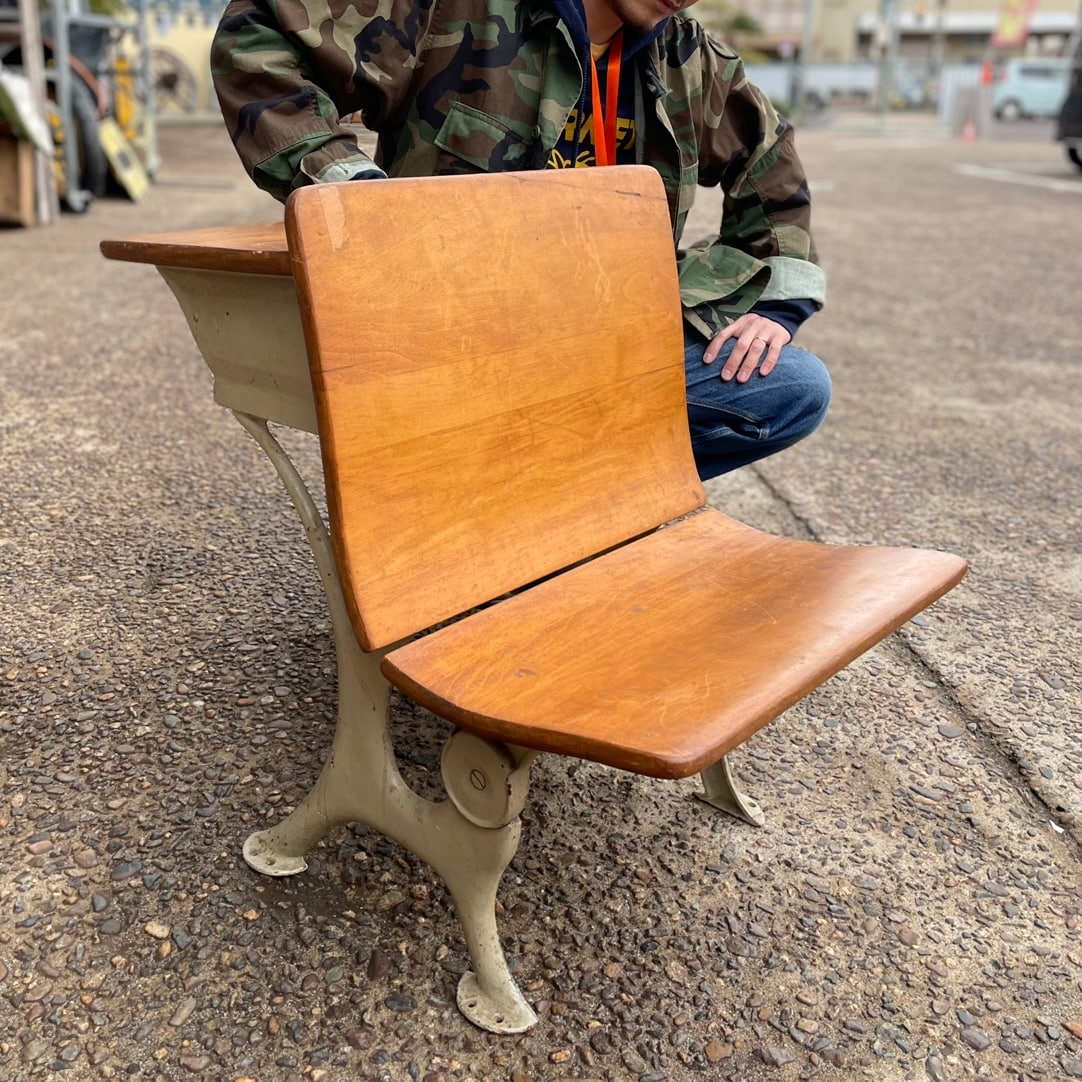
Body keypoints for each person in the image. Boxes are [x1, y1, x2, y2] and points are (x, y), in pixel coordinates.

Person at [211, 0, 831, 481]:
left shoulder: (687, 56)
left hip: (596, 345)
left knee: (792, 388)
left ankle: (551, 500)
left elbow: (769, 157)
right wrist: (350, 188)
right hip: (455, 346)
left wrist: (777, 306)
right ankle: (505, 495)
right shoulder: (453, 10)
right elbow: (259, 36)